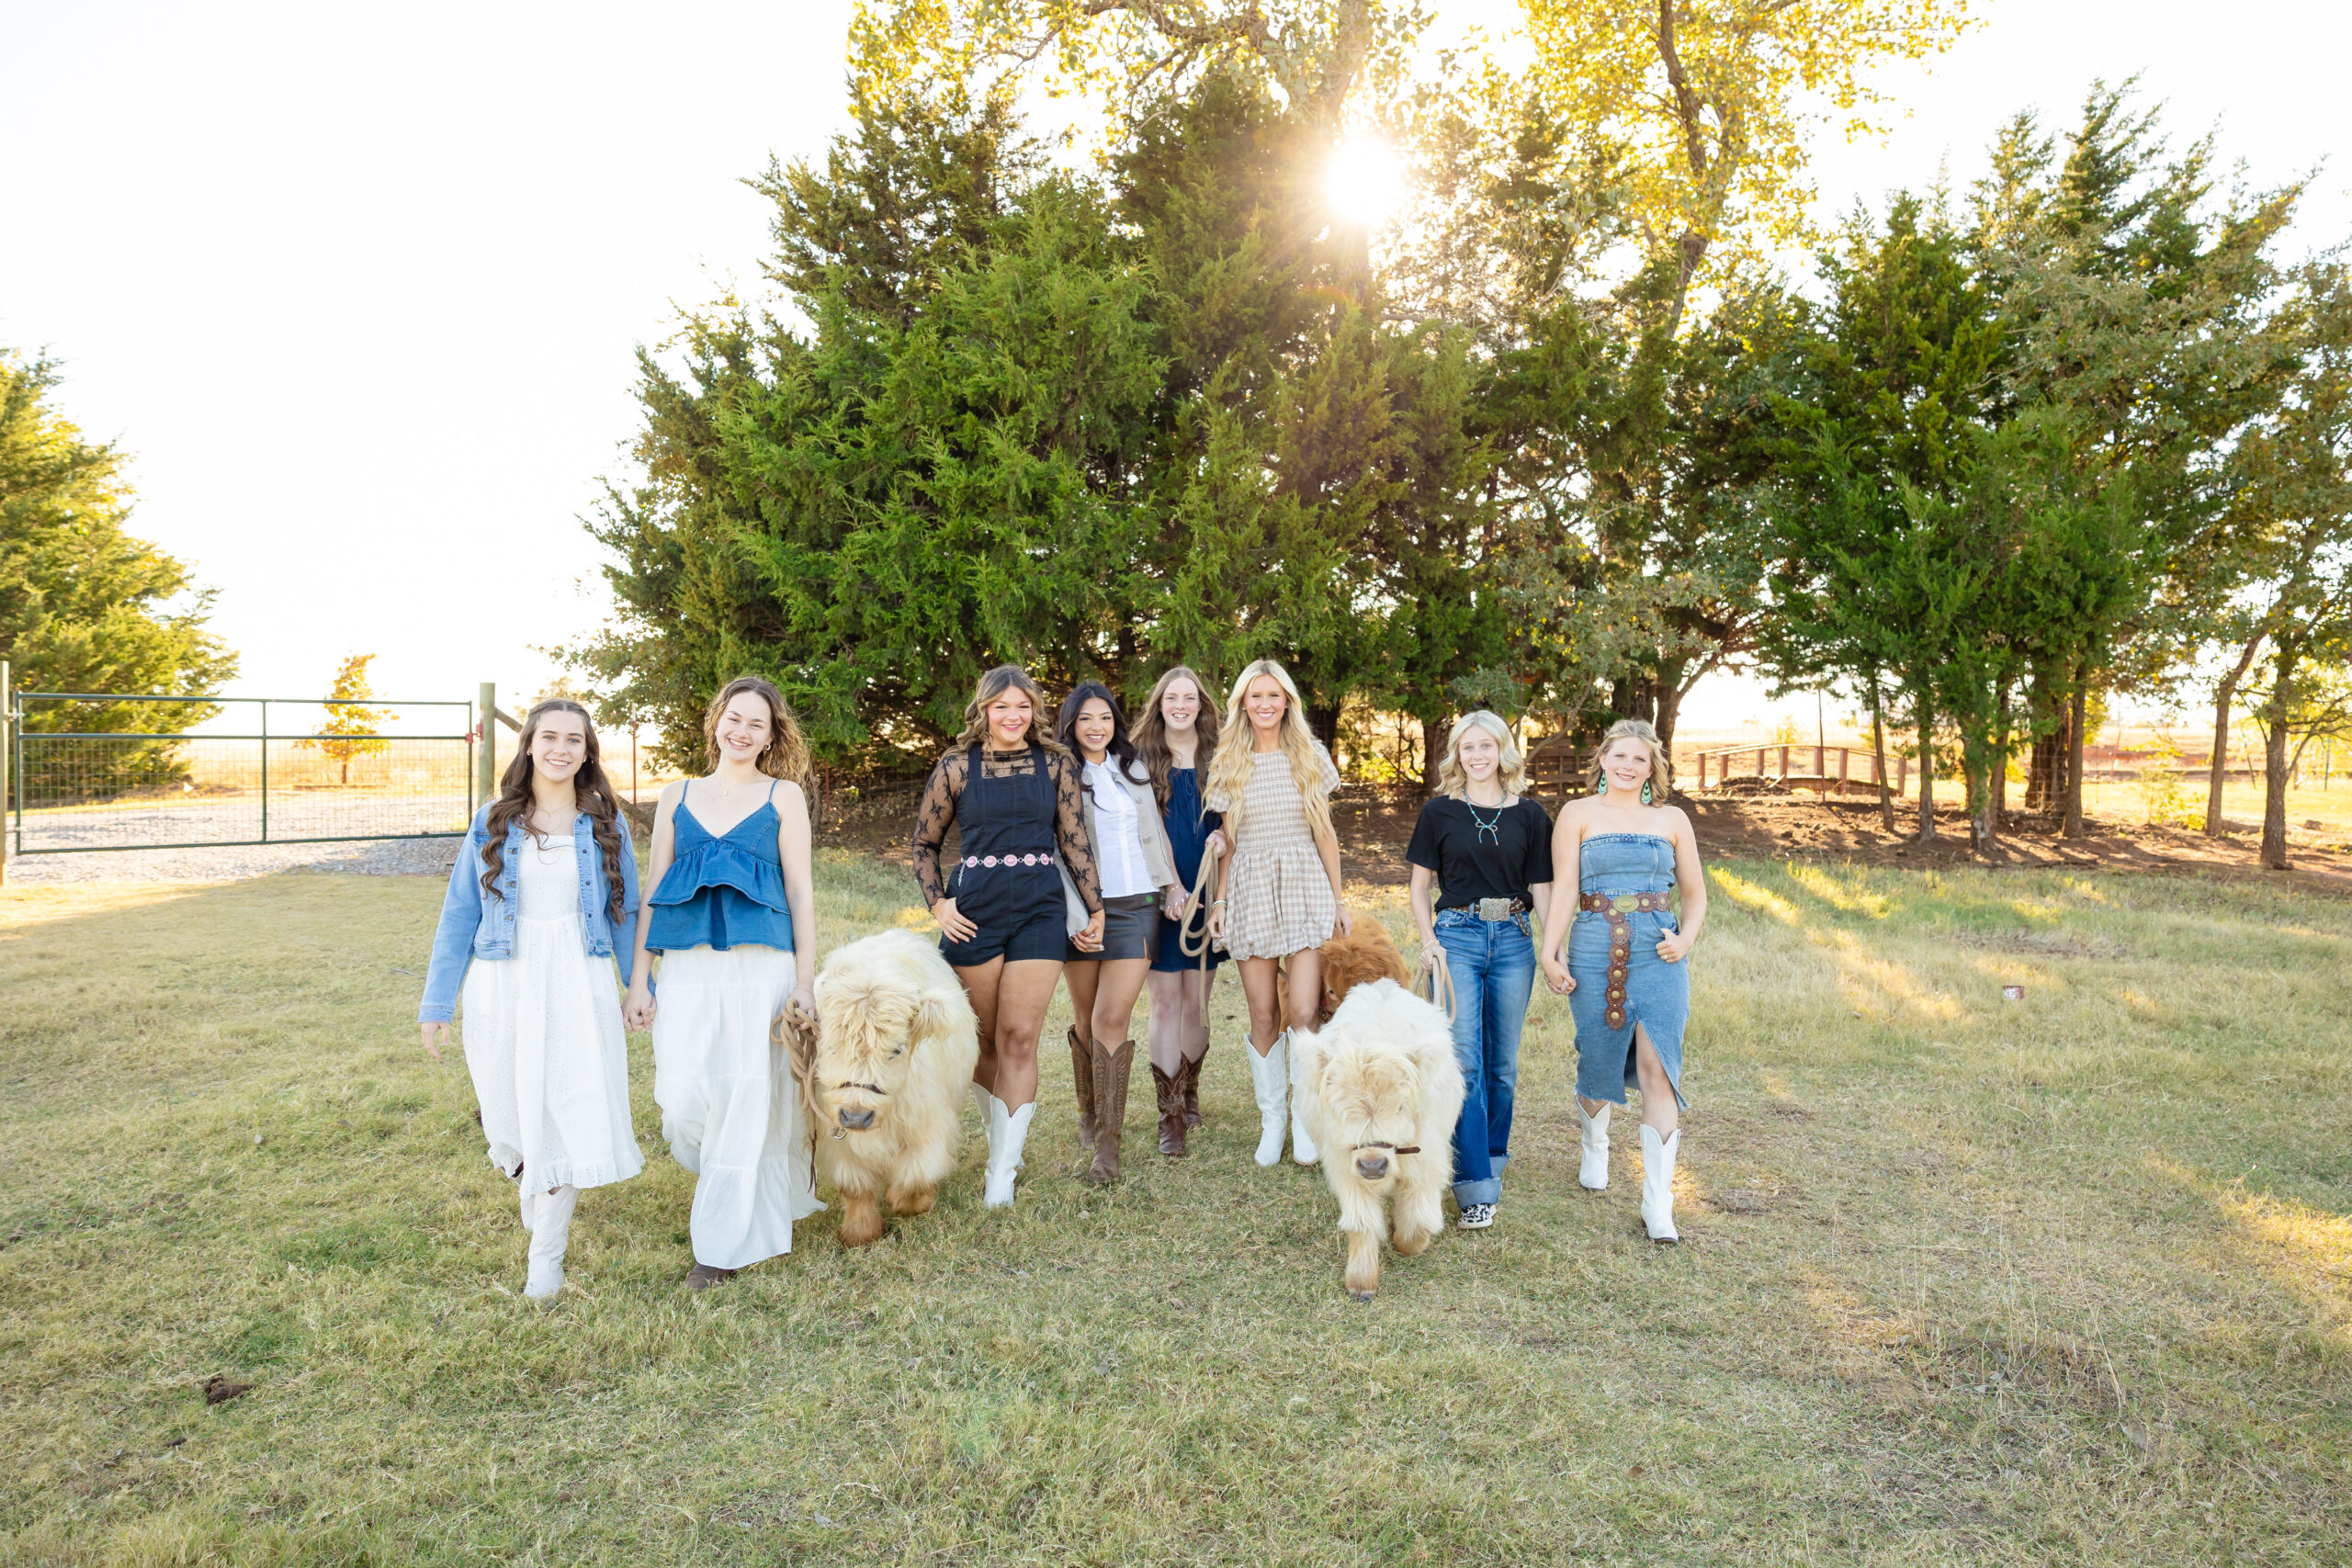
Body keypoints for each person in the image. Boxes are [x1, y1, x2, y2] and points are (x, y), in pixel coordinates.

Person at [419, 698, 642, 1303]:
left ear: (588, 751)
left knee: (566, 1111)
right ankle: (525, 1169)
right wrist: (437, 1004)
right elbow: (460, 912)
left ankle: (546, 1259)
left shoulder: (604, 822)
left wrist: (640, 986)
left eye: (575, 739)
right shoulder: (493, 819)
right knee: (509, 1119)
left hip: (578, 974)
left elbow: (626, 913)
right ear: (529, 745)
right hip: (505, 978)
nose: (561, 748)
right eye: (549, 737)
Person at [626, 676, 823, 1289]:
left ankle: (718, 1248)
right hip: (687, 970)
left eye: (756, 724)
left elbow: (799, 891)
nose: (742, 731)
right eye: (734, 718)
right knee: (683, 1100)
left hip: (760, 965)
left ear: (771, 736)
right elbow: (655, 893)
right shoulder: (675, 795)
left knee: (744, 1097)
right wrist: (640, 982)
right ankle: (727, 1180)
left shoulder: (783, 796)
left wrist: (804, 982)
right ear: (716, 721)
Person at [910, 665, 1104, 1207]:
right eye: (1002, 707)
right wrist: (939, 904)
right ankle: (1000, 1137)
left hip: (1041, 908)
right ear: (985, 710)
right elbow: (924, 844)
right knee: (982, 1041)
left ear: (1034, 711)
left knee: (1020, 1038)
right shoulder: (956, 766)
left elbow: (1075, 841)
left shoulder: (1057, 762)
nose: (1013, 716)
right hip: (975, 911)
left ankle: (1003, 1172)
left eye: (1022, 707)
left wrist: (1096, 908)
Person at [1539, 717, 1709, 1243]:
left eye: (1640, 759)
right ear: (1603, 762)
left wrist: (1685, 941)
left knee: (1659, 1068)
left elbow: (1695, 895)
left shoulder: (1673, 819)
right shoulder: (1576, 813)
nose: (1629, 766)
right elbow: (1565, 886)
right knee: (1598, 1059)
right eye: (1620, 757)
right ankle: (1595, 1143)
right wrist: (1551, 951)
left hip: (1659, 952)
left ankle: (1658, 1203)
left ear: (1652, 767)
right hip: (1594, 945)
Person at [1405, 711, 1555, 1232]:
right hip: (1457, 940)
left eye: (1486, 746)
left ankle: (1491, 1159)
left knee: (1502, 1066)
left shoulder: (1532, 816)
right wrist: (1429, 942)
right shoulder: (1439, 812)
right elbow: (1420, 887)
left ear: (1503, 752)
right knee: (1464, 1060)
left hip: (1514, 940)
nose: (1477, 756)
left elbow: (1543, 891)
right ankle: (1474, 1187)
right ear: (1457, 754)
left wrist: (1553, 949)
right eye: (1467, 747)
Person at [1204, 659, 1350, 1168]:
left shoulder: (1310, 755)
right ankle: (1273, 1121)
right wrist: (1220, 901)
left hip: (1304, 880)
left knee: (1305, 1013)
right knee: (1264, 1013)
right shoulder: (1228, 761)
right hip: (1250, 886)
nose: (1265, 704)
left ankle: (1307, 1119)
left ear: (1287, 701)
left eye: (1274, 695)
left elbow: (1326, 834)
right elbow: (1230, 843)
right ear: (1243, 703)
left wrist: (1338, 899)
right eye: (1256, 696)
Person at [1055, 682, 1183, 1183]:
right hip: (1086, 909)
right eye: (1085, 718)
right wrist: (1079, 913)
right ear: (1071, 724)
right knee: (1086, 1019)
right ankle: (1089, 1111)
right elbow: (1058, 847)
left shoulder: (1132, 769)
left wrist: (1171, 885)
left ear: (1115, 722)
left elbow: (1155, 832)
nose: (1096, 727)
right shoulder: (1060, 773)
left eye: (1104, 717)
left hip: (1138, 908)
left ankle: (1107, 1143)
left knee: (1112, 1018)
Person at [1132, 665, 1227, 1157]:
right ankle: (1170, 1114)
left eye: (1189, 697)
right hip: (1160, 894)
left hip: (1210, 890)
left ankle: (1189, 1089)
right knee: (1165, 1002)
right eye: (1172, 697)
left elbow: (1237, 817)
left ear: (1201, 704)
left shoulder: (1221, 755)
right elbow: (1143, 830)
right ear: (1160, 703)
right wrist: (1171, 886)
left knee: (1198, 1001)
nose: (1181, 705)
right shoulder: (1141, 758)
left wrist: (1224, 836)